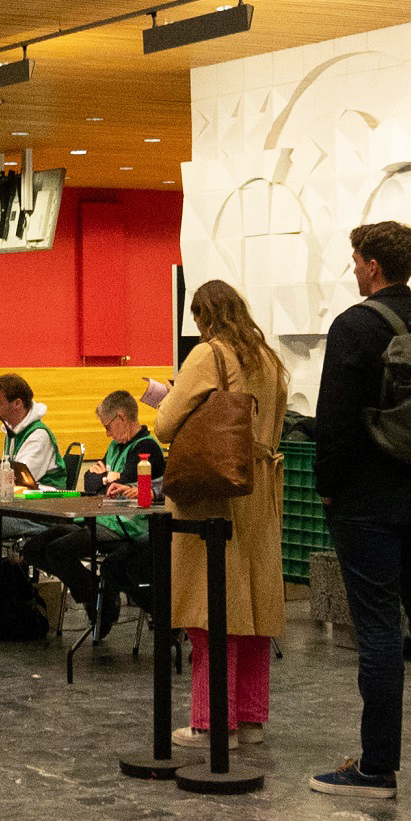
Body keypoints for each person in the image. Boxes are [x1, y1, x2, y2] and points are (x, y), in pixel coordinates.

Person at [309, 220, 411, 798]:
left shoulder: (355, 325)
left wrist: (328, 486)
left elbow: (334, 417)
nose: (353, 270)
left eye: (355, 261)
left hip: (369, 501)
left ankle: (376, 768)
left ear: (373, 266)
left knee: (377, 629)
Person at [152, 281, 289, 749]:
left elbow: (165, 425)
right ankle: (249, 719)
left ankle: (212, 723)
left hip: (216, 493)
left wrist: (170, 398)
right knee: (254, 610)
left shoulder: (208, 355)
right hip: (261, 490)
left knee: (210, 608)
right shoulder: (269, 360)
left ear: (203, 317)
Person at [26, 389, 164, 640]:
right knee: (35, 548)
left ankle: (98, 600)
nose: (107, 433)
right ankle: (97, 593)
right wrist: (107, 479)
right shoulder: (115, 446)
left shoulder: (146, 448)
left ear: (121, 418)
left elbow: (121, 486)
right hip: (99, 518)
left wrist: (107, 479)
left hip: (127, 525)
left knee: (58, 550)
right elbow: (91, 482)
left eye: (108, 426)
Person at [0, 374, 61, 487]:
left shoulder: (38, 436)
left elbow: (19, 478)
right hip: (28, 493)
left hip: (47, 495)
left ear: (17, 403)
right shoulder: (12, 431)